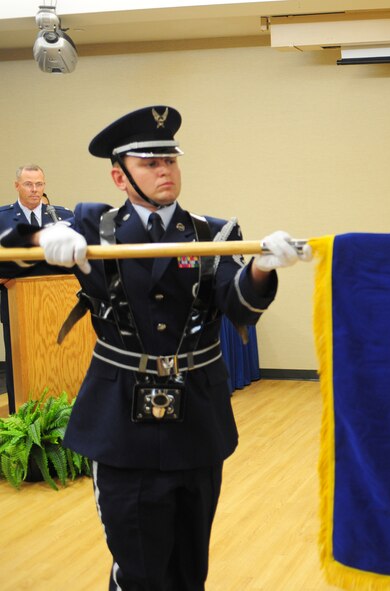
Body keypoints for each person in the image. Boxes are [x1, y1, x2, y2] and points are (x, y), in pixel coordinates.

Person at [0, 105, 311, 590]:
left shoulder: (213, 233)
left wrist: (262, 267)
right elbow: (8, 246)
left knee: (190, 568)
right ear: (119, 177)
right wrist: (44, 234)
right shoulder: (92, 228)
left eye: (170, 161)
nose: (164, 170)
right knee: (140, 570)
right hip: (121, 424)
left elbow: (239, 307)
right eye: (149, 163)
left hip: (196, 421)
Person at [0, 165, 73, 413]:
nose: (34, 190)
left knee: (62, 360)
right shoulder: (2, 218)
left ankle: (64, 418)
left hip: (61, 303)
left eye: (39, 184)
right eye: (29, 184)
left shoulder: (60, 216)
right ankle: (19, 419)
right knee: (20, 366)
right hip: (17, 303)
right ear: (17, 185)